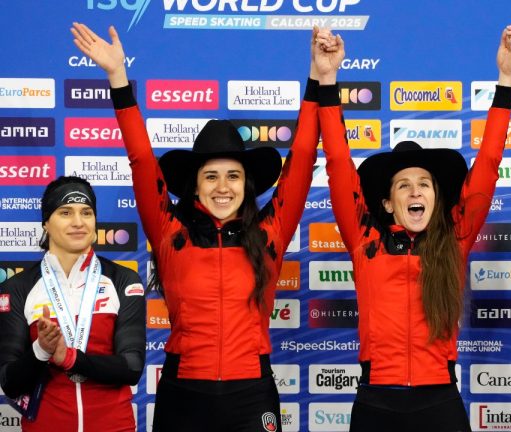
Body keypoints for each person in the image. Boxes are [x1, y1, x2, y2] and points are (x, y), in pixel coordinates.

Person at [70, 22, 323, 431]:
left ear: (247, 184)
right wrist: (117, 77)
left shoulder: (269, 233)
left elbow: (304, 157)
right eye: (211, 176)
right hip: (183, 393)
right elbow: (141, 160)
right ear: (195, 185)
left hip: (251, 394)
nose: (223, 187)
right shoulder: (170, 232)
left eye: (233, 176)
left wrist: (318, 77)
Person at [316, 27, 511, 431]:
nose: (415, 191)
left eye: (424, 184)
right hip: (376, 402)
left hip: (439, 403)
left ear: (436, 197)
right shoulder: (365, 240)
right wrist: (327, 80)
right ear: (387, 203)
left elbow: (488, 164)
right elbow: (339, 165)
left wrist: (505, 79)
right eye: (404, 185)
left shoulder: (455, 239)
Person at [0, 176, 146, 432]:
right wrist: (41, 350)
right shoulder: (18, 287)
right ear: (46, 222)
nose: (78, 222)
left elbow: (131, 367)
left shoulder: (123, 279)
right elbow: (9, 383)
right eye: (65, 212)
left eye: (86, 212)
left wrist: (69, 358)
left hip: (113, 426)